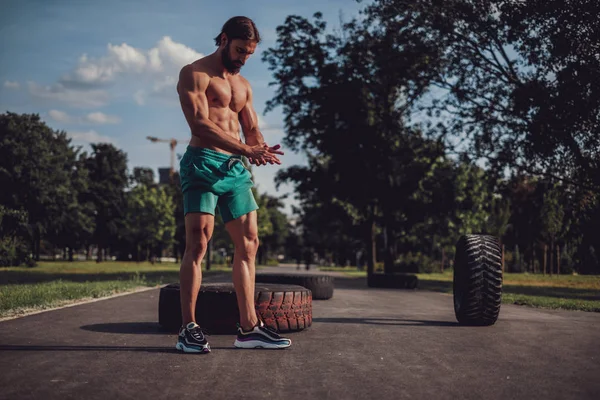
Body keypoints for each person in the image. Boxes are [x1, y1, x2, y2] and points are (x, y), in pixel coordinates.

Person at [175, 16, 291, 353]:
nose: (243, 58)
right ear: (224, 40)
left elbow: (250, 128)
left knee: (250, 243)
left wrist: (260, 147)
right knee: (198, 245)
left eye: (249, 54)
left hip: (233, 169)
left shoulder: (243, 86)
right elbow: (200, 124)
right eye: (240, 50)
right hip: (202, 164)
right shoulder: (194, 73)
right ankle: (188, 328)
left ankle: (249, 328)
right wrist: (245, 149)